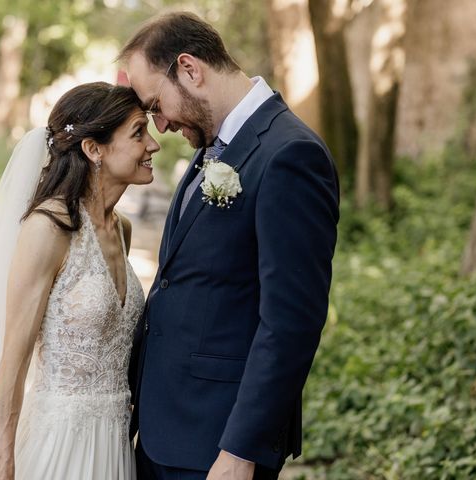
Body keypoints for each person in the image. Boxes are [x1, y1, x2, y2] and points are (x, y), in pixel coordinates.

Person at [0, 82, 160, 480]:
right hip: (58, 444)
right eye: (139, 132)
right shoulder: (49, 228)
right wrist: (2, 461)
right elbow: (13, 359)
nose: (153, 145)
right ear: (94, 149)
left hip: (114, 444)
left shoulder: (121, 230)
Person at [119, 12, 340, 480]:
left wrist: (240, 450)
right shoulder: (210, 148)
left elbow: (291, 322)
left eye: (155, 104)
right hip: (165, 430)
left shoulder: (289, 154)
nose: (157, 125)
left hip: (217, 446)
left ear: (190, 69)